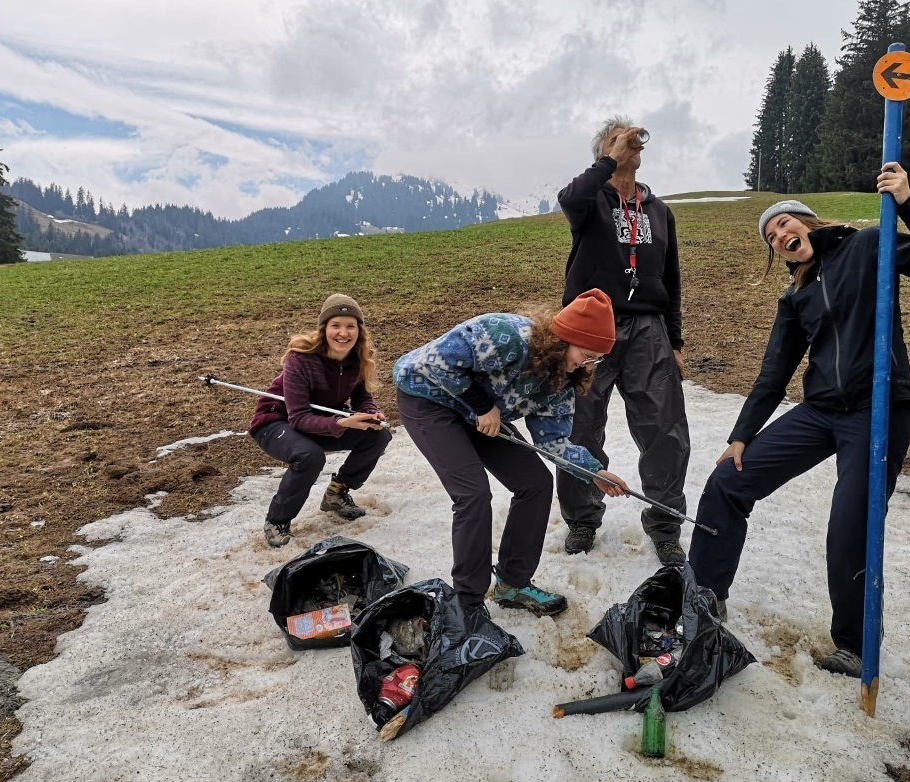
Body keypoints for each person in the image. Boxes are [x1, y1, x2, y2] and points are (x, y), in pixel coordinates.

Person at [687, 163, 910, 677]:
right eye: (771, 237)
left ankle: (855, 644)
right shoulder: (797, 297)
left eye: (784, 225)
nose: (779, 236)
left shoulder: (869, 246)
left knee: (850, 528)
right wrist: (741, 436)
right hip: (818, 413)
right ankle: (704, 597)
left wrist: (909, 201)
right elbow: (773, 373)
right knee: (727, 482)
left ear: (808, 222)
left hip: (876, 410)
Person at [394, 289, 630, 617]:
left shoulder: (562, 380)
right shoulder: (506, 336)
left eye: (595, 359)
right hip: (428, 400)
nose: (587, 364)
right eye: (586, 353)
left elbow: (554, 442)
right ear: (564, 337)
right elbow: (428, 363)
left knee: (535, 482)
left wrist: (594, 472)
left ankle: (512, 583)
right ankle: (468, 603)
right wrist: (482, 405)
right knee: (473, 494)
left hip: (482, 416)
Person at [556, 116, 691, 566]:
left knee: (665, 429)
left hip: (648, 328)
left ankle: (666, 525)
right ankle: (582, 519)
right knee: (582, 425)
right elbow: (569, 197)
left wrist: (675, 343)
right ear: (603, 151)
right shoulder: (589, 199)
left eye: (633, 142)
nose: (632, 146)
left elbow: (670, 279)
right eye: (619, 141)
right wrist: (607, 161)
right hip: (592, 326)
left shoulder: (659, 210)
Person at [249, 293, 392, 548]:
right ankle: (277, 520)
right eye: (335, 325)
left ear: (359, 330)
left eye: (350, 326)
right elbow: (299, 417)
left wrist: (371, 415)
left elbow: (363, 399)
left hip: (323, 421)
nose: (343, 333)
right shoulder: (300, 359)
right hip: (276, 423)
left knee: (378, 435)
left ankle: (336, 493)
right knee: (309, 456)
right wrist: (340, 423)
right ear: (324, 328)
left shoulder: (358, 359)